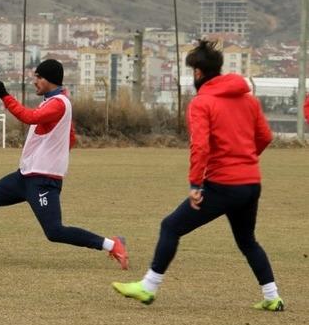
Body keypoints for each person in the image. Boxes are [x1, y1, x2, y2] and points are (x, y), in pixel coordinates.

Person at [113, 40, 284, 311]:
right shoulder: (248, 99)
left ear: (197, 73)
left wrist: (196, 183)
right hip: (251, 183)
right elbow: (265, 136)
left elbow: (200, 145)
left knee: (171, 226)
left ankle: (148, 287)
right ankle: (272, 296)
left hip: (223, 184)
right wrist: (246, 161)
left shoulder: (202, 102)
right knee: (247, 241)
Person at [0, 59, 128, 269]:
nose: (35, 81)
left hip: (42, 180)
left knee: (54, 232)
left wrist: (4, 95)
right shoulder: (51, 101)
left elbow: (29, 117)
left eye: (39, 77)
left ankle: (112, 244)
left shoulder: (59, 103)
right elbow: (70, 137)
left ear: (50, 79)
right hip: (26, 175)